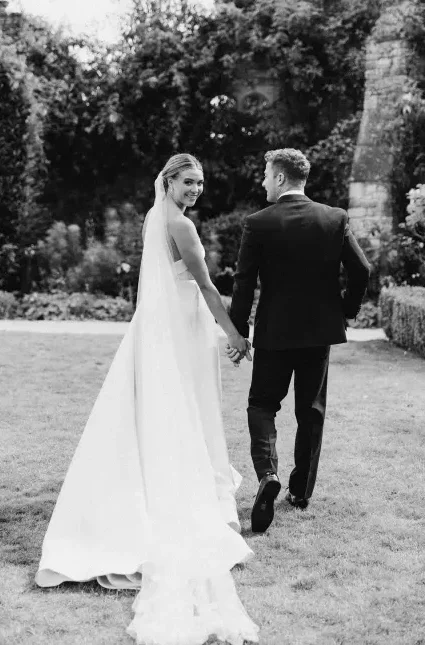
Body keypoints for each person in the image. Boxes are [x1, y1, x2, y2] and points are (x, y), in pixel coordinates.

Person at [35, 154, 258, 645]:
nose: (195, 190)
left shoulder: (155, 217)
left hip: (158, 328)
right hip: (176, 331)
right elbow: (204, 285)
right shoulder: (178, 225)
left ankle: (148, 479)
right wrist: (236, 335)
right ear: (169, 181)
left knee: (152, 413)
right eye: (187, 182)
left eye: (200, 183)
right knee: (181, 410)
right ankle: (168, 492)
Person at [226, 148, 370, 533]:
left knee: (261, 405)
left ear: (278, 178)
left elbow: (243, 284)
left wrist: (238, 331)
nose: (261, 181)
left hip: (275, 332)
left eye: (264, 174)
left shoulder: (258, 223)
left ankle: (267, 475)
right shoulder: (334, 218)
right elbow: (362, 270)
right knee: (311, 410)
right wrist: (346, 309)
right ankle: (301, 491)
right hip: (319, 331)